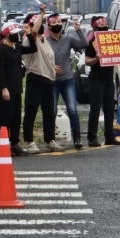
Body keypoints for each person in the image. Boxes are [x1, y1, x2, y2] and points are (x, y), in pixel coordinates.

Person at [22, 4, 65, 153]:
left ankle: (50, 140)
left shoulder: (44, 40)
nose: (40, 25)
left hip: (48, 80)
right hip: (35, 77)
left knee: (48, 112)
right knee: (31, 110)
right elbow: (34, 31)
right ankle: (29, 141)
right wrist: (41, 13)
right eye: (36, 22)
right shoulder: (30, 39)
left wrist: (52, 69)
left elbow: (47, 58)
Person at [0, 21, 37, 157]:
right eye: (14, 33)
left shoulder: (16, 47)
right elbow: (0, 71)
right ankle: (3, 144)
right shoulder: (2, 50)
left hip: (17, 87)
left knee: (16, 118)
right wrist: (4, 88)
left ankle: (14, 143)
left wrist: (29, 34)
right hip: (7, 88)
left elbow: (33, 48)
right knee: (5, 117)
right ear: (6, 35)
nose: (17, 35)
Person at [46, 13, 88, 149]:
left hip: (68, 79)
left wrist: (78, 29)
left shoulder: (68, 39)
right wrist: (51, 67)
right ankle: (51, 140)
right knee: (51, 110)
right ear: (49, 26)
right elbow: (40, 58)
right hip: (52, 81)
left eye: (59, 22)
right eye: (54, 23)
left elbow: (84, 43)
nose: (58, 24)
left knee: (72, 109)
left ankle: (77, 139)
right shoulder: (45, 41)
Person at [85, 16, 120, 146]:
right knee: (95, 109)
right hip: (96, 79)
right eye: (100, 27)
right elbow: (87, 61)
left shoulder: (113, 41)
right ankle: (92, 137)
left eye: (105, 26)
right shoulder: (92, 43)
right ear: (95, 29)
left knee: (109, 108)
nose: (103, 29)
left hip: (108, 79)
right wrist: (96, 59)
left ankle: (109, 136)